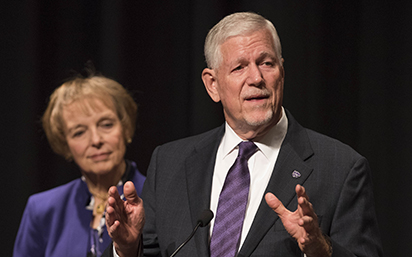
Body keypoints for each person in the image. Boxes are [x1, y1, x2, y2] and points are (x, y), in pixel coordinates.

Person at [104, 12, 383, 257]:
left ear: (282, 73)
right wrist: (128, 250)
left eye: (266, 63)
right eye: (239, 67)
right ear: (212, 85)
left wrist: (320, 249)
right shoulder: (169, 163)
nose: (256, 78)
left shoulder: (341, 167)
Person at [13, 67, 146, 257]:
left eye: (106, 124)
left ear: (125, 128)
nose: (96, 140)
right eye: (79, 132)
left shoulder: (158, 198)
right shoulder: (42, 209)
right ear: (65, 145)